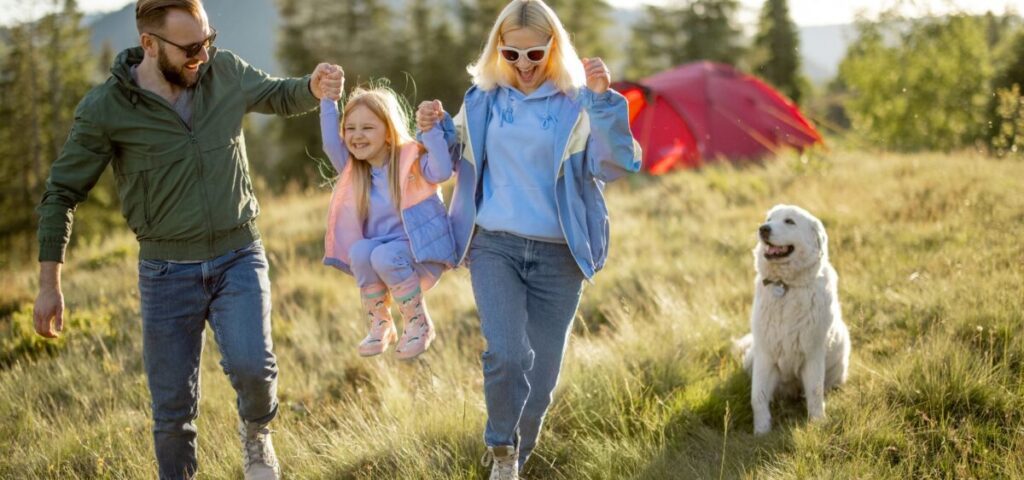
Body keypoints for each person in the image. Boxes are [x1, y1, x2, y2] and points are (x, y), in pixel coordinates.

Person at [31, 1, 342, 478]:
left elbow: (280, 95)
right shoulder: (106, 109)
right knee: (172, 412)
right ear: (149, 44)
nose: (204, 54)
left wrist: (313, 87)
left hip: (238, 253)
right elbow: (61, 194)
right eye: (191, 47)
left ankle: (257, 433)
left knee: (254, 371)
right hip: (165, 273)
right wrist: (50, 283)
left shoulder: (225, 71)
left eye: (208, 39)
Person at [415, 0, 641, 478]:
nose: (523, 66)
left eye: (534, 54)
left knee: (540, 381)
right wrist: (432, 130)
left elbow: (617, 165)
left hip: (561, 255)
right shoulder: (482, 100)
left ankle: (519, 452)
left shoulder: (579, 103)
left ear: (553, 48)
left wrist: (603, 101)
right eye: (511, 54)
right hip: (495, 245)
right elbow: (447, 161)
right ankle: (501, 450)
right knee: (507, 354)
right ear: (499, 50)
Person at [320, 82, 457, 360]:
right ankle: (380, 324)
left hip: (423, 255)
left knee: (382, 254)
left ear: (387, 132)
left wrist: (431, 132)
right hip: (386, 261)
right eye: (350, 128)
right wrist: (327, 100)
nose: (357, 136)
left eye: (367, 128)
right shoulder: (354, 170)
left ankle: (419, 323)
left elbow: (443, 171)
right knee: (359, 250)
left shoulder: (412, 160)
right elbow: (330, 143)